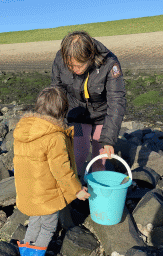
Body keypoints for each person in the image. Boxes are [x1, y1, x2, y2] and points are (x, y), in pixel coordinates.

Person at [13, 87, 90, 256]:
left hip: (27, 193)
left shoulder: (22, 131)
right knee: (48, 227)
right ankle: (35, 254)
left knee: (34, 222)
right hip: (47, 195)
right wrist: (77, 190)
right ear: (62, 111)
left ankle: (25, 252)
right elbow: (62, 171)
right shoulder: (55, 137)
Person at [51, 31, 126, 183]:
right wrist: (55, 124)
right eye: (70, 65)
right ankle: (74, 187)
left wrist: (109, 140)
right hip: (77, 113)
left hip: (102, 116)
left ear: (90, 56)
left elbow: (116, 100)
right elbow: (57, 92)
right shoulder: (60, 59)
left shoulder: (110, 63)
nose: (74, 69)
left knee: (100, 156)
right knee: (79, 153)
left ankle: (97, 188)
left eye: (79, 65)